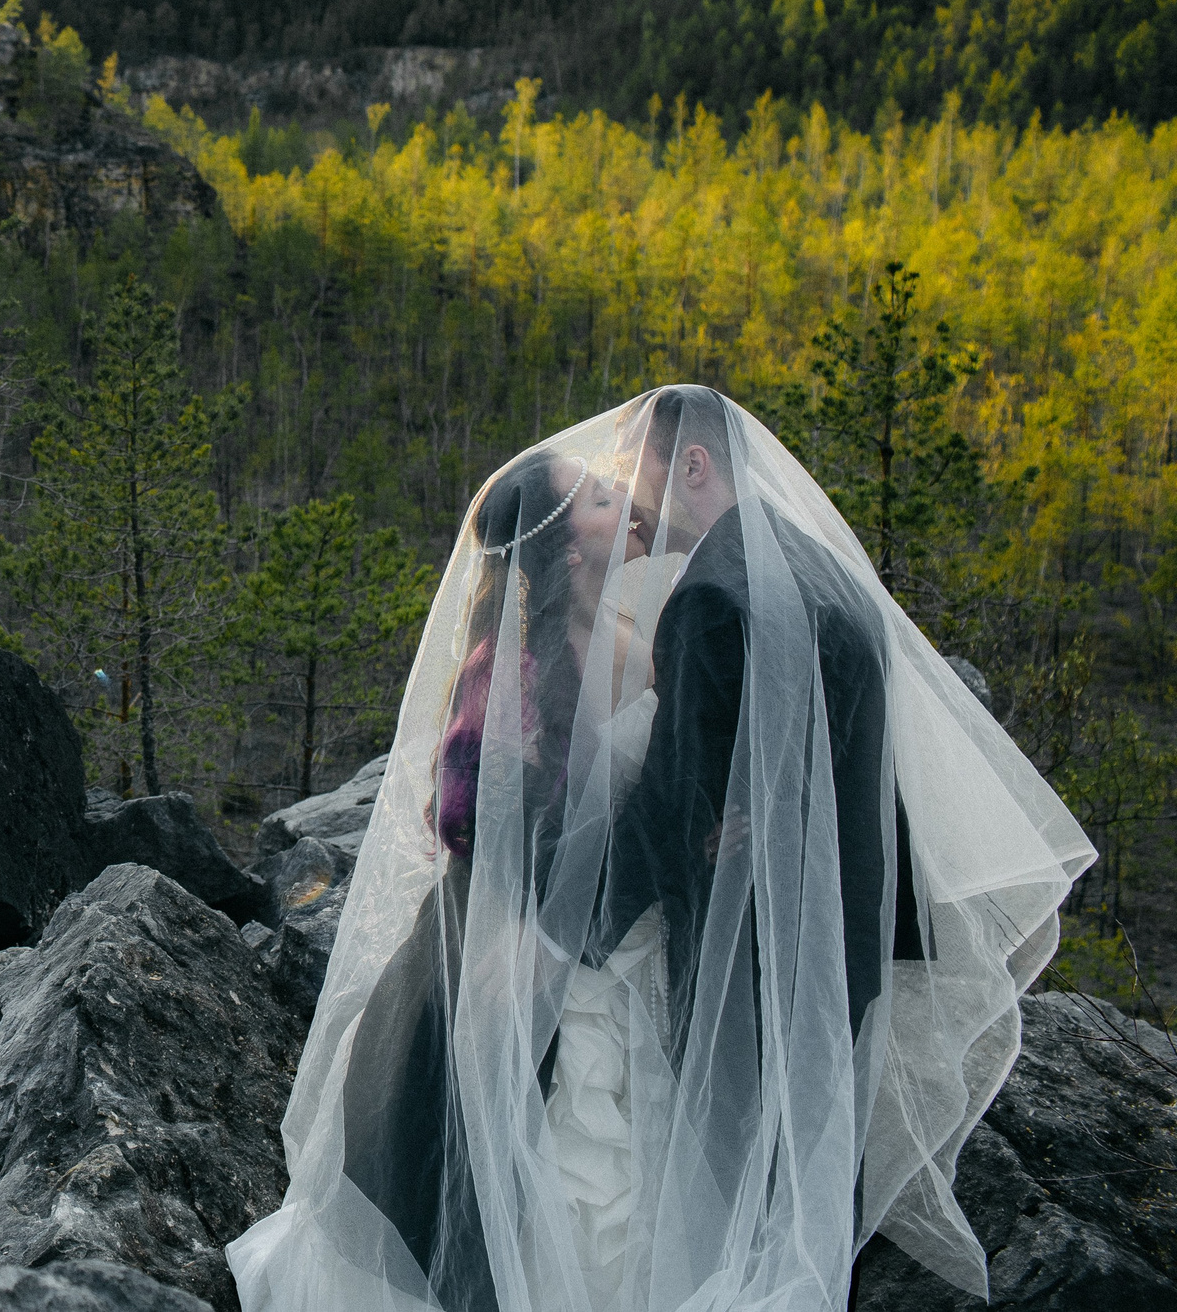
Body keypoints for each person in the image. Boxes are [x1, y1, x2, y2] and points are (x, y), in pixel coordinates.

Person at [228, 387, 1094, 1312]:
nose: (625, 495)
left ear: (690, 466)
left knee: (704, 1169)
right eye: (601, 496)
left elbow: (680, 780)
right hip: (695, 925)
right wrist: (698, 830)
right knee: (647, 1166)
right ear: (563, 542)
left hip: (734, 935)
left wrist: (693, 838)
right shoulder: (785, 577)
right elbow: (528, 796)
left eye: (627, 476)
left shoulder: (699, 606)